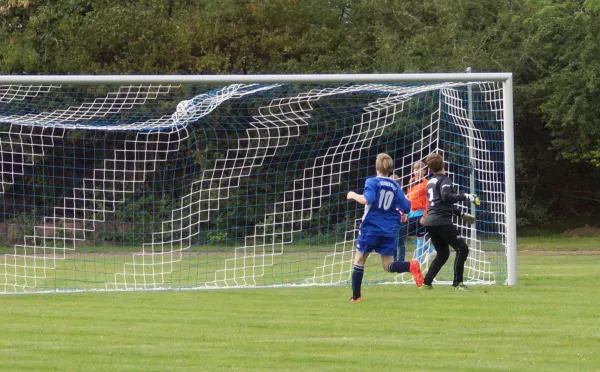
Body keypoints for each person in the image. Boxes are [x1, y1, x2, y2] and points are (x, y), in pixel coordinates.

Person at [347, 153, 424, 302]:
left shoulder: (372, 182)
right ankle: (410, 265)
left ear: (376, 167)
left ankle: (356, 297)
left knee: (359, 260)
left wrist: (353, 195)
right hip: (389, 229)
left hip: (371, 228)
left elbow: (368, 199)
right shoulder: (395, 185)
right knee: (388, 264)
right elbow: (407, 207)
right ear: (390, 169)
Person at [421, 153, 478, 291]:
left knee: (443, 253)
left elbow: (440, 203)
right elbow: (446, 197)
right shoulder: (445, 179)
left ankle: (426, 282)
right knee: (462, 248)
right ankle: (458, 283)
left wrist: (460, 213)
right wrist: (466, 196)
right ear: (443, 164)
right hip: (441, 221)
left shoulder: (430, 181)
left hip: (431, 221)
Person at [395, 161, 434, 264]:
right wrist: (405, 212)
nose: (417, 172)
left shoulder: (426, 183)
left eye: (419, 169)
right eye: (415, 170)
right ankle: (430, 251)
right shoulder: (411, 181)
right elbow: (408, 197)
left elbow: (428, 201)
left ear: (424, 171)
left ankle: (418, 261)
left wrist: (425, 215)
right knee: (410, 234)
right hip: (411, 212)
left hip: (421, 213)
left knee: (420, 236)